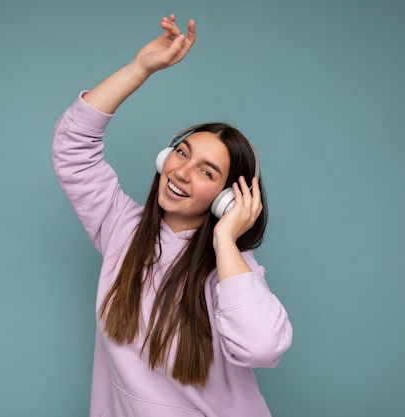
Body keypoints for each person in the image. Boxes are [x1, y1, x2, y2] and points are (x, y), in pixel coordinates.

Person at [52, 14, 292, 417]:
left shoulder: (233, 270)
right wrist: (139, 68)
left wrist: (224, 240)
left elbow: (263, 348)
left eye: (207, 172)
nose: (181, 171)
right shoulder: (121, 229)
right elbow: (72, 146)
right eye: (182, 153)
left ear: (226, 199)